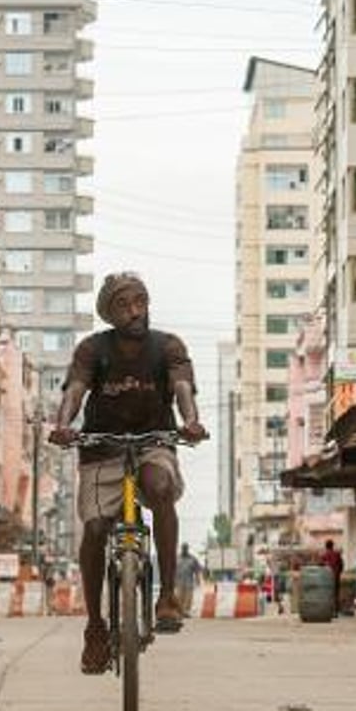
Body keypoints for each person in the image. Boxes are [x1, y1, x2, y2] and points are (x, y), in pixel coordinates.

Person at [49, 272, 208, 675]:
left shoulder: (167, 346)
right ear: (109, 313)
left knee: (160, 487)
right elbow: (75, 390)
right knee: (98, 528)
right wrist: (64, 424)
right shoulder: (92, 349)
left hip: (154, 441)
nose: (136, 310)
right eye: (124, 304)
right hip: (101, 446)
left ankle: (167, 595)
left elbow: (183, 386)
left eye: (141, 301)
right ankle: (95, 628)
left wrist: (190, 420)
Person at [175, 543, 202, 618]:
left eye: (185, 548)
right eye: (183, 548)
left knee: (188, 598)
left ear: (187, 549)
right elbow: (173, 570)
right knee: (179, 597)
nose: (184, 549)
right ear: (181, 549)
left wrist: (198, 580)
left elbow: (197, 570)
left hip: (189, 582)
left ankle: (186, 612)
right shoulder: (177, 558)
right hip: (179, 582)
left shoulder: (192, 559)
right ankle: (179, 611)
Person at [319, 540, 344, 614]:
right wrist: (338, 573)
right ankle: (336, 611)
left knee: (327, 594)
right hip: (336, 576)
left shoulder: (324, 555)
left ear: (326, 546)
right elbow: (341, 565)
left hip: (326, 578)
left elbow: (320, 565)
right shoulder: (337, 554)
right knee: (336, 593)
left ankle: (328, 610)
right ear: (332, 546)